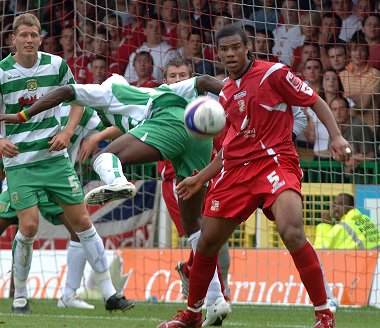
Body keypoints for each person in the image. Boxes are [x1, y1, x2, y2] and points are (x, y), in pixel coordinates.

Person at [158, 24, 352, 328]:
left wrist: (337, 137)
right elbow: (227, 148)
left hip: (275, 162)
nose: (231, 53)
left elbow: (314, 100)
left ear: (248, 47)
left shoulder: (272, 73)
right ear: (218, 53)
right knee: (207, 242)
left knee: (291, 230)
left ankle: (324, 313)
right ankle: (192, 314)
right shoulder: (223, 93)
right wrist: (200, 178)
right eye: (224, 49)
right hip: (236, 171)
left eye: (236, 47)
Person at [0, 71, 227, 324]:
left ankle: (118, 182)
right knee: (194, 226)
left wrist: (22, 115)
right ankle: (216, 300)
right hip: (197, 135)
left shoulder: (106, 92)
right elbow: (205, 81)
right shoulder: (160, 89)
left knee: (104, 157)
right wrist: (232, 91)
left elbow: (67, 92)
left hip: (166, 125)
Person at [0, 13, 133, 314]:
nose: (29, 39)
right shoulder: (2, 73)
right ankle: (20, 296)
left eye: (34, 34)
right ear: (13, 40)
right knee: (28, 225)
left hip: (56, 163)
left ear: (41, 37)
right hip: (20, 164)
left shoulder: (57, 65)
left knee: (83, 223)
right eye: (23, 35)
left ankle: (110, 294)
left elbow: (77, 98)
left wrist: (68, 131)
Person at [0, 104, 106, 309]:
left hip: (55, 178)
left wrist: (95, 138)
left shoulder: (81, 107)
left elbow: (115, 124)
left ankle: (69, 295)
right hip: (23, 176)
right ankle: (19, 296)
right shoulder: (29, 99)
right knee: (26, 227)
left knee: (81, 229)